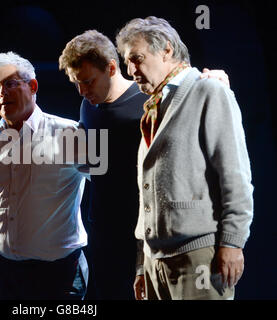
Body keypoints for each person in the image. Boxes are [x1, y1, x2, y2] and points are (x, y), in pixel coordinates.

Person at [58, 30, 231, 300]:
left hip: (147, 235)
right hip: (103, 233)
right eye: (76, 84)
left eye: (88, 82)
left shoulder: (148, 102)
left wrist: (218, 85)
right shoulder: (87, 106)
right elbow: (99, 168)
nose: (83, 91)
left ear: (112, 68)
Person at [115, 16, 253, 300]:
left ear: (166, 50)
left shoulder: (208, 90)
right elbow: (147, 194)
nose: (131, 71)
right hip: (156, 261)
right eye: (127, 62)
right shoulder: (153, 107)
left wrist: (233, 243)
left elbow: (235, 177)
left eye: (137, 59)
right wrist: (142, 265)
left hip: (198, 258)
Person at [0, 51, 89, 300]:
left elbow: (116, 187)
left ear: (33, 86)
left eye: (10, 83)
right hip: (7, 274)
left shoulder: (71, 134)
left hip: (62, 275)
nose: (1, 93)